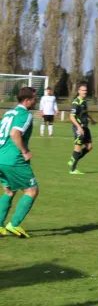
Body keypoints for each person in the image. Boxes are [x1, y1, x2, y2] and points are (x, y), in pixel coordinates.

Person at [0, 87, 39, 238]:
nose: (36, 101)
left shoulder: (9, 112)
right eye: (35, 99)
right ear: (27, 100)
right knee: (32, 190)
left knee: (9, 191)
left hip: (1, 157)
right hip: (14, 160)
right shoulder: (25, 114)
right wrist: (25, 152)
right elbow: (14, 133)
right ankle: (14, 224)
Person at [68, 84, 96, 175]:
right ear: (78, 91)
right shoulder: (76, 102)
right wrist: (79, 127)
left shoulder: (84, 101)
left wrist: (91, 119)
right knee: (78, 147)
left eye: (86, 90)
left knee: (89, 147)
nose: (85, 92)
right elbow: (71, 117)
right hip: (78, 127)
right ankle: (73, 169)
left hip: (85, 127)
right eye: (83, 90)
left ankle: (74, 158)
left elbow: (85, 113)